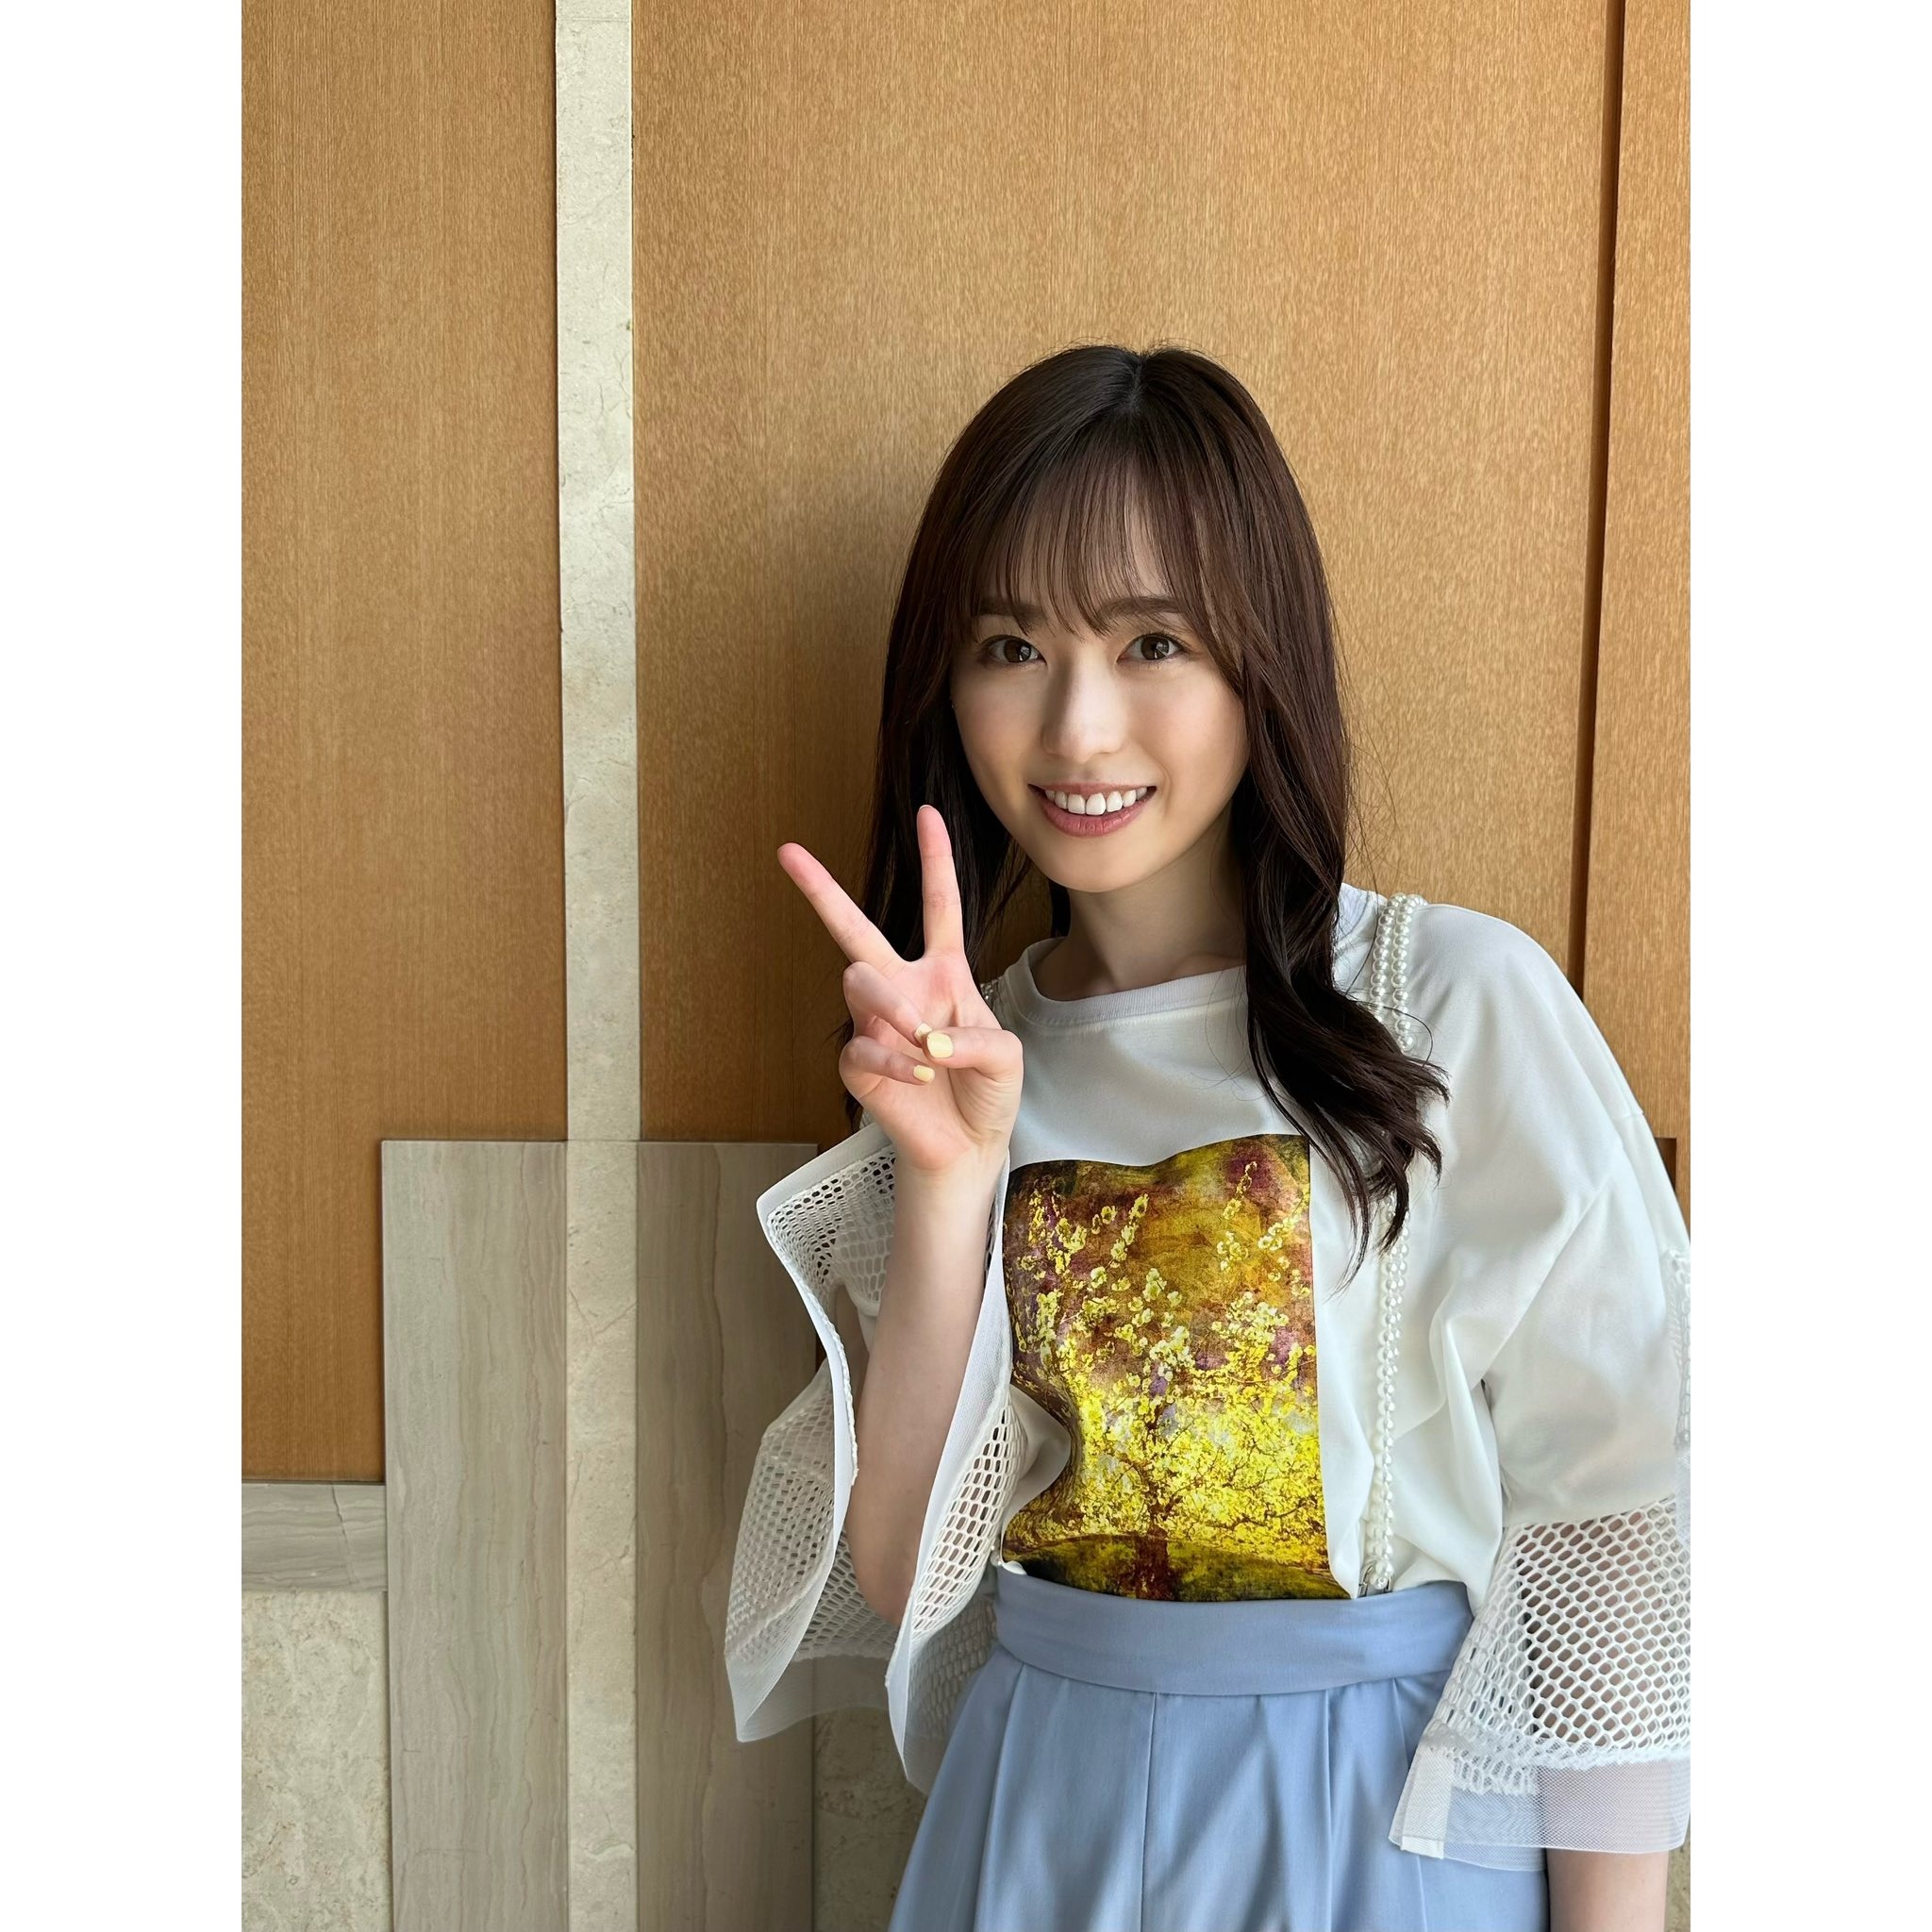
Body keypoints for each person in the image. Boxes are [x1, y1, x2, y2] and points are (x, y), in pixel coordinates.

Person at [724, 344, 1690, 1932]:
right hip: (1041, 1812)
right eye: (1012, 646)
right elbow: (906, 1575)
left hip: (1377, 1828)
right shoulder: (965, 1055)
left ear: (1261, 666)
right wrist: (949, 1184)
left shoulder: (1446, 1001)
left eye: (1151, 642)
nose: (1078, 724)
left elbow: (1612, 1525)